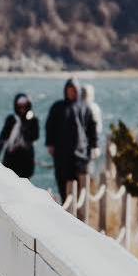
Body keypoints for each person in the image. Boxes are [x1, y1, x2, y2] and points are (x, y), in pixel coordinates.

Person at [44, 76, 98, 205]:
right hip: (61, 156)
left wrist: (94, 147)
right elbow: (49, 126)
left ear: (78, 91)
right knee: (63, 187)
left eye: (74, 90)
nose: (71, 92)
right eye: (69, 89)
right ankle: (66, 211)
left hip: (80, 156)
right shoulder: (57, 107)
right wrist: (50, 144)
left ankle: (79, 217)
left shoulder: (85, 108)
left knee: (80, 191)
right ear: (65, 91)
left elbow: (92, 129)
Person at [0, 92, 38, 180]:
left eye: (24, 104)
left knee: (24, 184)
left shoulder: (33, 120)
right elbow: (3, 137)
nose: (22, 107)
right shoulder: (11, 119)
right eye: (20, 104)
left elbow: (35, 136)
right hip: (11, 158)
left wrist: (25, 126)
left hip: (26, 159)